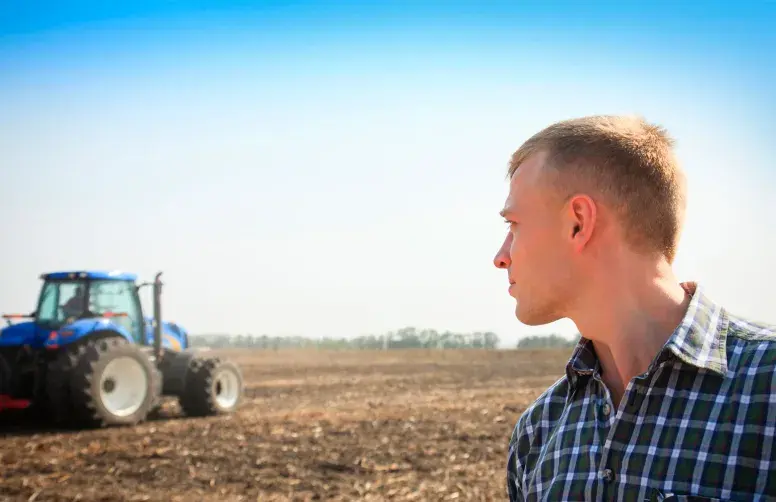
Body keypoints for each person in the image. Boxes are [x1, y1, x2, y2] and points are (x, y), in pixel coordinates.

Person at [493, 115, 776, 501]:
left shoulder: (768, 390)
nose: (501, 256)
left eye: (513, 224)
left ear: (578, 223)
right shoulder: (537, 432)